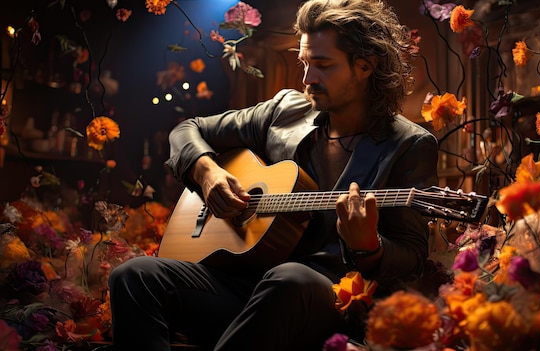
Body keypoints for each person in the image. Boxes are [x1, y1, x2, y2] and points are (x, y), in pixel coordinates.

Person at [102, 0, 438, 350]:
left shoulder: (408, 145)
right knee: (133, 275)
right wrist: (208, 173)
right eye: (304, 63)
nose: (307, 79)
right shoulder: (285, 113)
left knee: (289, 278)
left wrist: (368, 246)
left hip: (328, 300)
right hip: (247, 287)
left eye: (322, 65)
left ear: (365, 67)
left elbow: (412, 256)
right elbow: (187, 130)